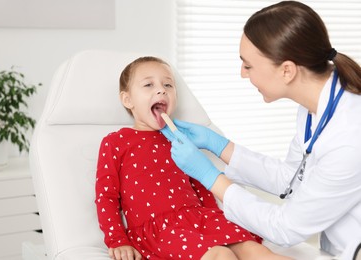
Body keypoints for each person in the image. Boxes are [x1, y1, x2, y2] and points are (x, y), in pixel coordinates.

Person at [161, 1, 361, 259]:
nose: (243, 73)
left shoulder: (349, 136)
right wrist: (220, 146)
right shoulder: (315, 106)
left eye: (248, 65)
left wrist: (210, 177)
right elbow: (291, 178)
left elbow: (285, 227)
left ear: (287, 70)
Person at [95, 56, 291, 260]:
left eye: (168, 84)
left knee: (254, 250)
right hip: (162, 231)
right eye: (148, 84)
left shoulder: (179, 139)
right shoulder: (116, 142)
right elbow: (106, 197)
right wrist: (117, 240)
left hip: (200, 218)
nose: (161, 90)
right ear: (127, 100)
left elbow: (198, 183)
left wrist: (214, 217)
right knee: (221, 255)